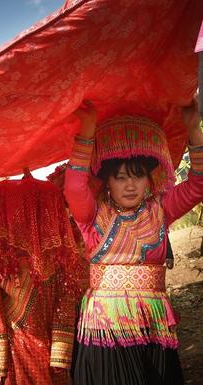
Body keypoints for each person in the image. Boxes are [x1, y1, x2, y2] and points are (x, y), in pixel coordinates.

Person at [65, 99, 203, 385]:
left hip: (153, 326)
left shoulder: (161, 209)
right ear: (107, 182)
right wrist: (87, 131)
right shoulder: (93, 216)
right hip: (106, 329)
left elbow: (198, 185)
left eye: (138, 176)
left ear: (149, 180)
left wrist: (194, 130)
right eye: (120, 178)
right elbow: (74, 187)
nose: (130, 185)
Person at [0, 176, 83, 385]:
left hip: (45, 351)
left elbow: (65, 302)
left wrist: (59, 352)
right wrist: (0, 351)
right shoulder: (0, 260)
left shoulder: (56, 257)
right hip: (16, 349)